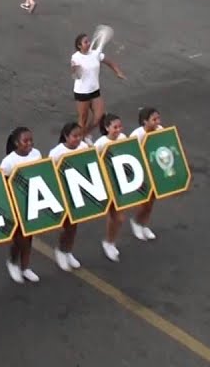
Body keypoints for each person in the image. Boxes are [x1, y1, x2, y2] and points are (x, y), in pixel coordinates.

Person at [0, 127, 42, 283]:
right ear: (16, 143)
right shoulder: (8, 162)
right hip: (16, 204)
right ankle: (12, 262)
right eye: (25, 141)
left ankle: (25, 267)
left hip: (32, 202)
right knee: (19, 238)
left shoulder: (36, 154)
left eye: (31, 140)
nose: (29, 143)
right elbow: (3, 185)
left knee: (29, 236)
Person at [71, 32, 125, 141]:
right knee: (83, 119)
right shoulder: (76, 57)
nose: (88, 43)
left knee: (98, 117)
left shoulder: (96, 54)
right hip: (82, 92)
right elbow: (75, 74)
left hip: (95, 91)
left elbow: (109, 62)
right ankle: (79, 141)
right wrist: (76, 71)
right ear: (79, 46)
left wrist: (118, 72)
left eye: (88, 41)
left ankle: (85, 134)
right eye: (85, 42)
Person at [48, 122, 86, 272]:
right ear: (66, 136)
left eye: (80, 136)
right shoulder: (56, 153)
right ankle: (61, 250)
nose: (78, 139)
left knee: (74, 225)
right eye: (74, 136)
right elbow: (49, 173)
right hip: (63, 193)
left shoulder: (83, 147)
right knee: (67, 225)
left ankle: (68, 251)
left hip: (77, 193)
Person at [92, 113, 127, 261]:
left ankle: (110, 242)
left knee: (118, 218)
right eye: (115, 127)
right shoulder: (100, 144)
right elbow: (93, 163)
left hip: (120, 183)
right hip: (107, 184)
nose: (118, 130)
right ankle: (109, 242)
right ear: (107, 128)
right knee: (118, 217)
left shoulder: (123, 138)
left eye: (120, 126)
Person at [128, 107, 163, 241]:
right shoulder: (136, 135)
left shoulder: (160, 130)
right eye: (154, 119)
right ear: (145, 121)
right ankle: (136, 222)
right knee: (145, 202)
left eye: (158, 118)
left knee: (151, 201)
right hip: (140, 173)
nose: (158, 122)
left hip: (154, 171)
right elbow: (130, 155)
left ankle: (144, 224)